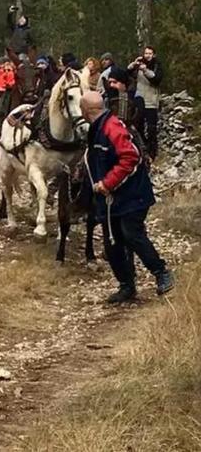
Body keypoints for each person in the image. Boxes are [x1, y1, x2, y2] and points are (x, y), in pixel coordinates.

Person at [81, 91, 174, 304]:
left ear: (87, 110)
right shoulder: (96, 129)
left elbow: (131, 157)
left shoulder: (112, 127)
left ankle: (161, 272)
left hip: (132, 196)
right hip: (111, 200)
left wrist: (107, 183)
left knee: (132, 234)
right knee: (112, 243)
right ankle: (127, 286)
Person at [128, 46, 163, 161]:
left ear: (154, 54)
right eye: (146, 53)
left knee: (152, 128)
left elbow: (157, 79)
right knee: (138, 126)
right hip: (139, 99)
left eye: (150, 53)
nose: (147, 55)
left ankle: (153, 151)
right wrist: (133, 65)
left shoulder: (157, 65)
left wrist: (145, 70)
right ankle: (143, 150)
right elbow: (127, 74)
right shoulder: (139, 64)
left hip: (151, 100)